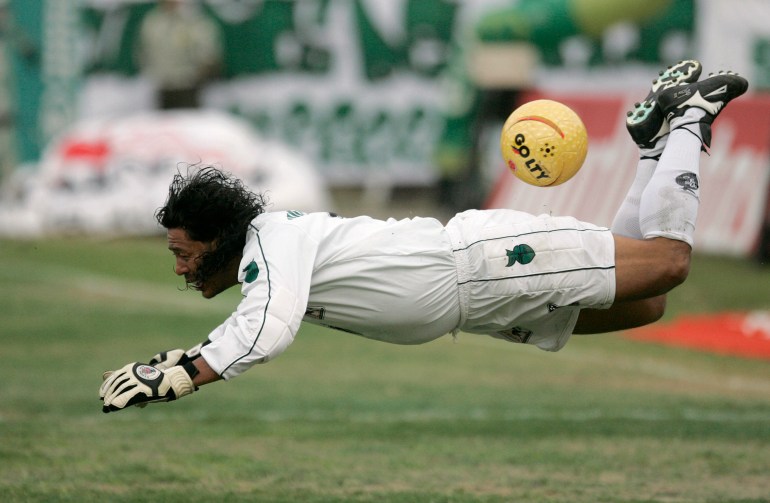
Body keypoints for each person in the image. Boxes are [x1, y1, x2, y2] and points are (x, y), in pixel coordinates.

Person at [99, 61, 748, 413]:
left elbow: (267, 327)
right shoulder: (268, 251)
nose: (181, 269)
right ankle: (651, 146)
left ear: (218, 238)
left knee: (666, 263)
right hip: (483, 306)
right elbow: (262, 313)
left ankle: (690, 113)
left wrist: (181, 372)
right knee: (647, 304)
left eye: (183, 253)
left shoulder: (269, 245)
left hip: (483, 265)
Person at [136, 0, 223, 109]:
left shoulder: (192, 20)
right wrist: (151, 72)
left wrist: (202, 68)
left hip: (188, 85)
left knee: (188, 120)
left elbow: (206, 49)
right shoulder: (152, 22)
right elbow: (143, 49)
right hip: (163, 85)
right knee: (167, 122)